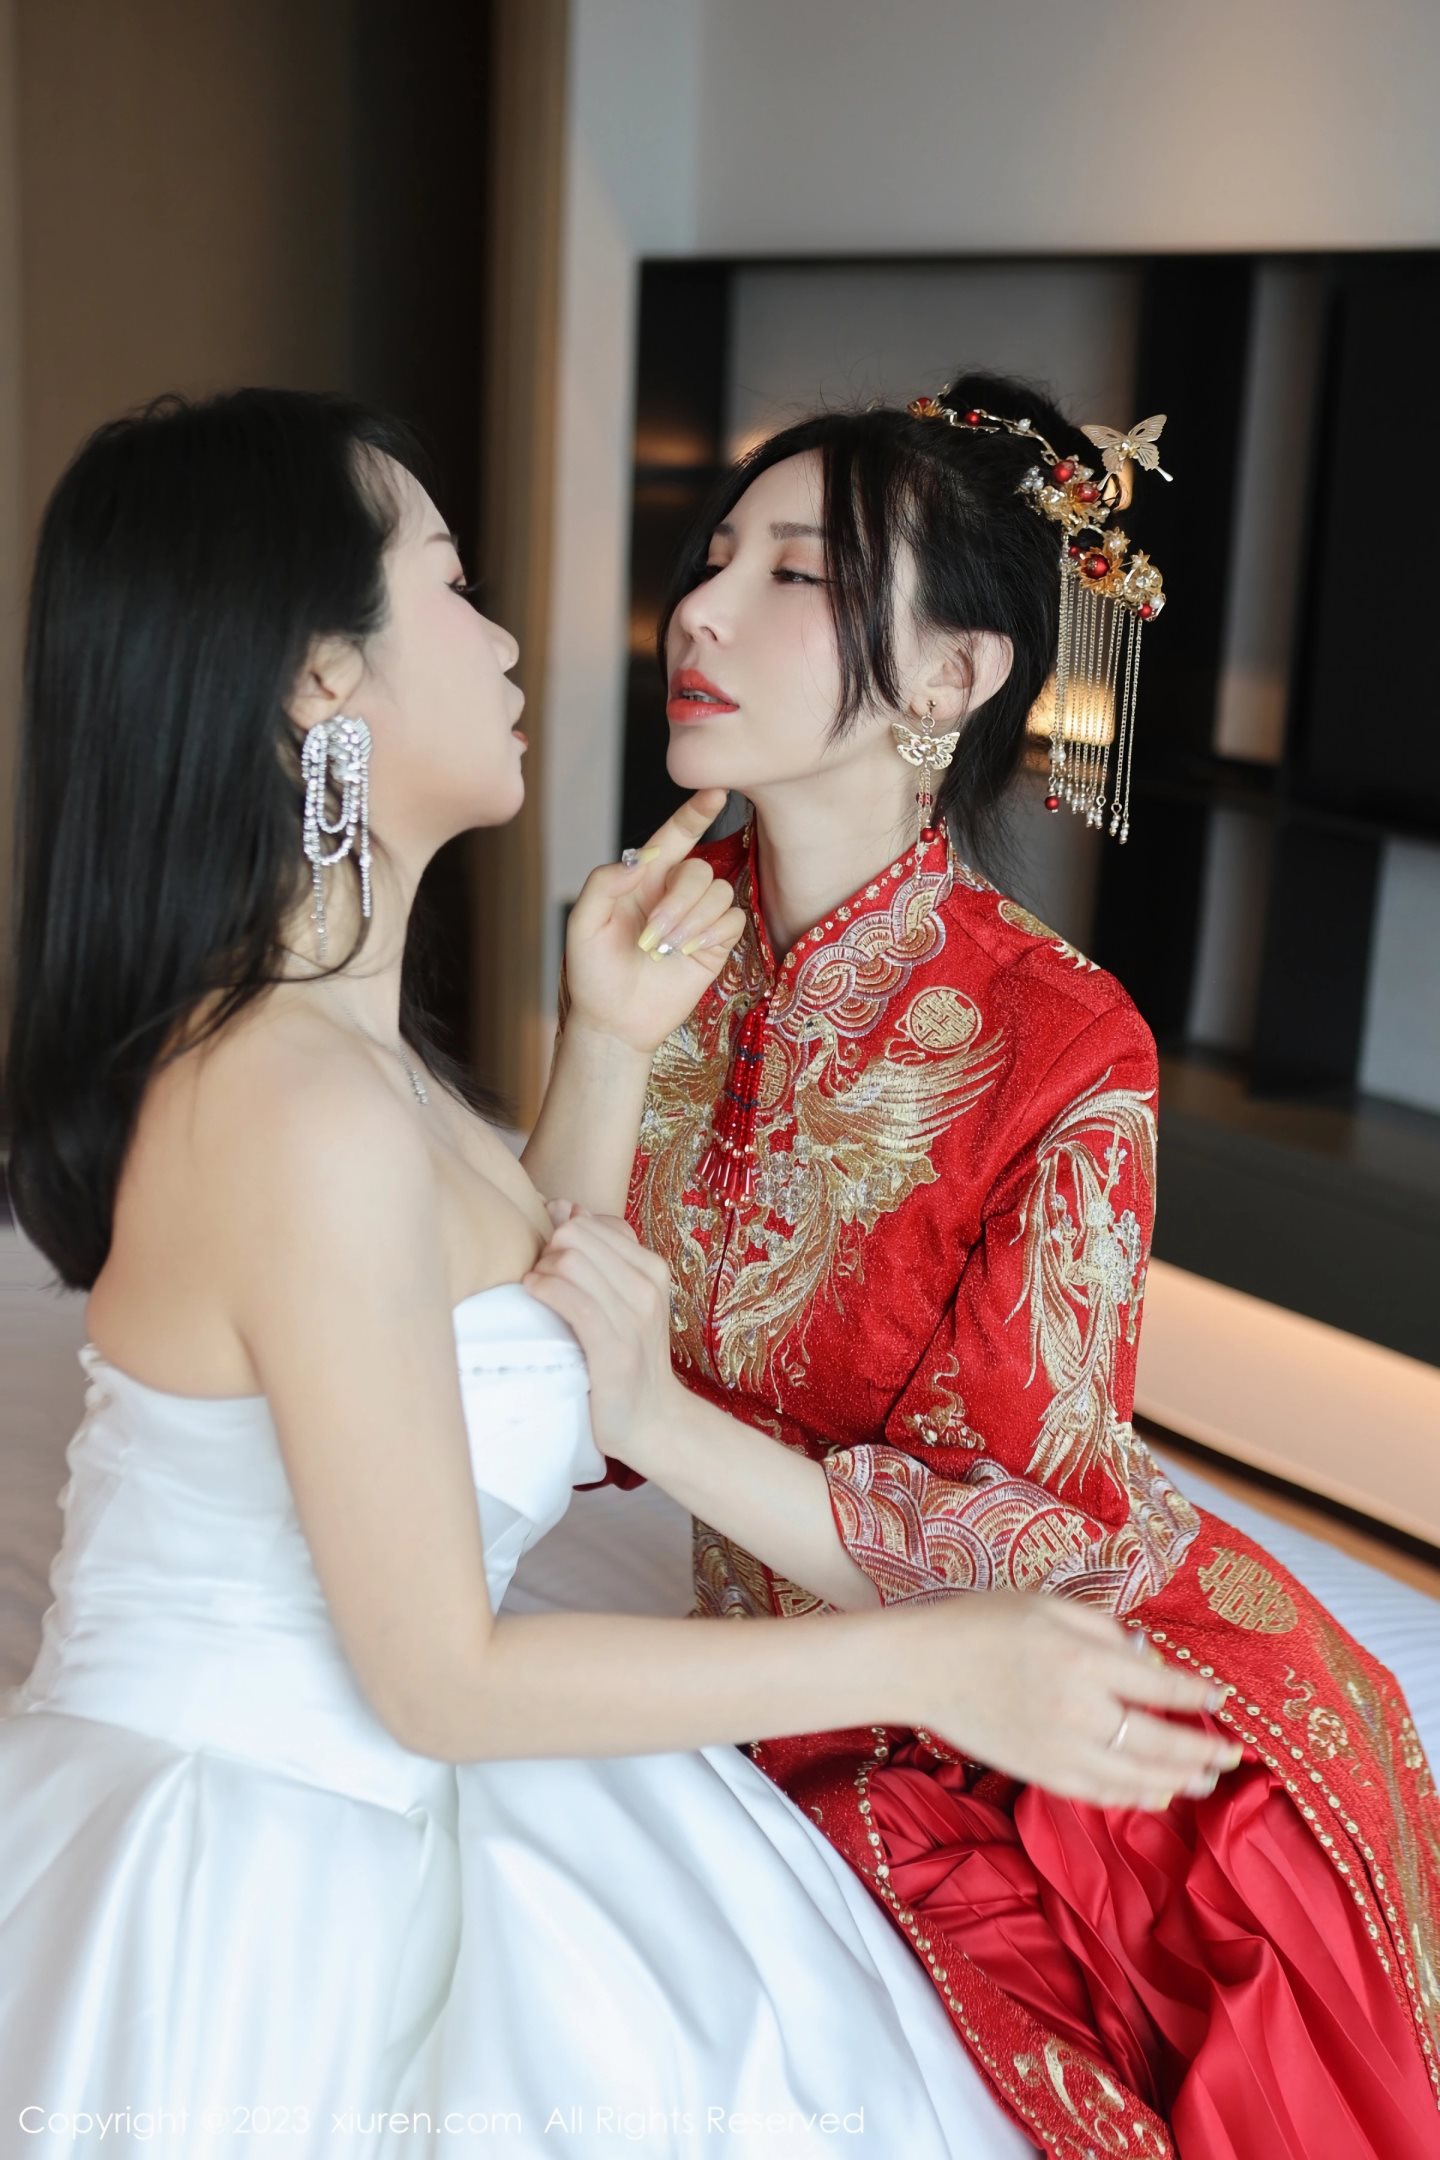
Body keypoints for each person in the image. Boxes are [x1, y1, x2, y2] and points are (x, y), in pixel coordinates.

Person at [0, 388, 1231, 2159]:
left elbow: (520, 1352)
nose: (535, 637)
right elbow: (443, 1674)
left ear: (955, 678)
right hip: (254, 1866)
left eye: (790, 573)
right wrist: (935, 1665)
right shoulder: (297, 1104)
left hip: (428, 1758)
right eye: (453, 586)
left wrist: (604, 1042)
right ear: (324, 681)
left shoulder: (374, 1077)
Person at [523, 372, 1440, 2159]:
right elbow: (538, 1342)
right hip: (803, 1667)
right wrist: (601, 1039)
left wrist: (658, 1416)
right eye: (715, 557)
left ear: (950, 678)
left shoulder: (1066, 1040)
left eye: (795, 573)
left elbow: (1014, 1538)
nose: (698, 609)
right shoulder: (657, 943)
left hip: (1077, 1697)